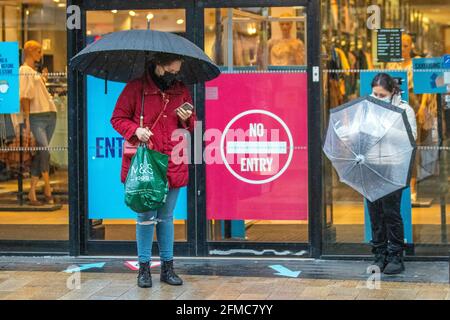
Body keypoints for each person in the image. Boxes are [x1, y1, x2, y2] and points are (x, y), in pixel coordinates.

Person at [111, 53, 196, 288]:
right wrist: (135, 131)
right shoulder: (136, 88)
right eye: (170, 72)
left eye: (177, 72)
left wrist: (186, 119)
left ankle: (168, 268)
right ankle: (144, 269)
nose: (174, 77)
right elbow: (117, 118)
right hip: (147, 163)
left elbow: (191, 123)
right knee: (145, 218)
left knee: (166, 218)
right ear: (158, 66)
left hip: (173, 161)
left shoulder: (181, 90)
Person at [366, 73, 417, 275]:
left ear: (392, 92)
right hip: (371, 166)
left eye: (382, 94)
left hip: (394, 166)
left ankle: (396, 255)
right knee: (375, 213)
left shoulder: (405, 109)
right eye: (375, 94)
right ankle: (379, 254)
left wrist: (385, 128)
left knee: (391, 213)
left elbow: (411, 138)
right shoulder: (367, 109)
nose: (377, 97)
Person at [19, 40, 57, 206]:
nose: (41, 55)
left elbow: (36, 93)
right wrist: (26, 119)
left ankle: (32, 192)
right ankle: (47, 189)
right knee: (45, 151)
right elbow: (24, 97)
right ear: (30, 51)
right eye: (39, 51)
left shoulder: (33, 71)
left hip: (49, 113)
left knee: (42, 154)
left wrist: (42, 79)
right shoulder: (24, 70)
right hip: (36, 116)